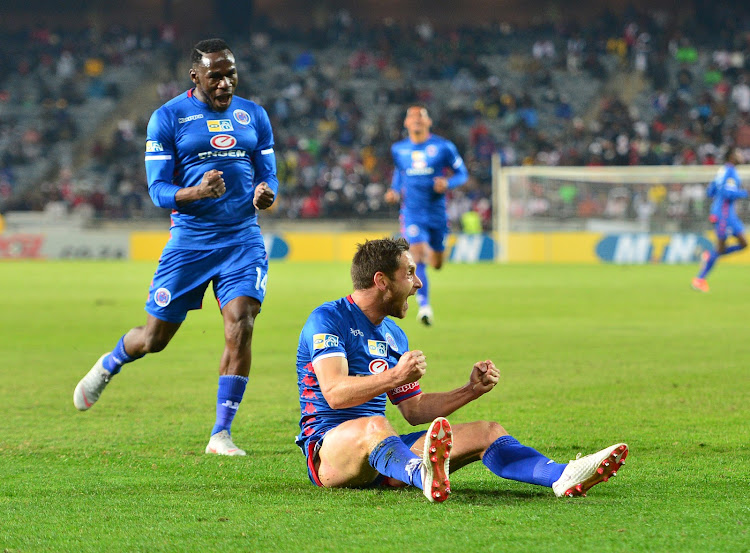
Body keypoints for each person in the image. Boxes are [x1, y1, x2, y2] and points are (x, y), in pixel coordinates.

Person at [295, 237, 628, 502]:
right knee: (374, 425)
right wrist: (395, 376)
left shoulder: (393, 334)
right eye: (409, 273)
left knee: (487, 431)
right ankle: (424, 474)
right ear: (381, 280)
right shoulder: (328, 319)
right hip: (329, 454)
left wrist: (471, 390)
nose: (418, 284)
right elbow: (335, 394)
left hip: (388, 454)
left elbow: (414, 410)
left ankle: (561, 475)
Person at [73, 38, 279, 456]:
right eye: (215, 76)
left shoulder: (253, 115)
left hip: (242, 238)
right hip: (190, 243)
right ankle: (110, 362)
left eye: (231, 74)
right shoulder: (167, 118)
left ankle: (221, 433)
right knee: (154, 339)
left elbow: (269, 175)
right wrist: (197, 192)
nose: (225, 84)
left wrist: (266, 193)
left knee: (241, 324)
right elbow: (158, 190)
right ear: (195, 76)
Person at [385, 105, 469, 326]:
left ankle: (437, 256)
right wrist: (394, 190)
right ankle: (425, 307)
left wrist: (448, 183)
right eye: (412, 116)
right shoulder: (399, 149)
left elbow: (462, 173)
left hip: (437, 213)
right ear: (406, 123)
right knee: (417, 254)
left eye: (421, 116)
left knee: (438, 262)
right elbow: (399, 172)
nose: (416, 120)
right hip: (412, 211)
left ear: (428, 122)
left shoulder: (443, 147)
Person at [692, 149, 748, 292]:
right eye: (738, 153)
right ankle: (699, 279)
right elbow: (726, 192)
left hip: (727, 214)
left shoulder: (722, 171)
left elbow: (710, 191)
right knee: (722, 247)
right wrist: (745, 192)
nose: (742, 156)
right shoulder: (730, 172)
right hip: (724, 214)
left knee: (743, 244)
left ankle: (710, 256)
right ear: (731, 156)